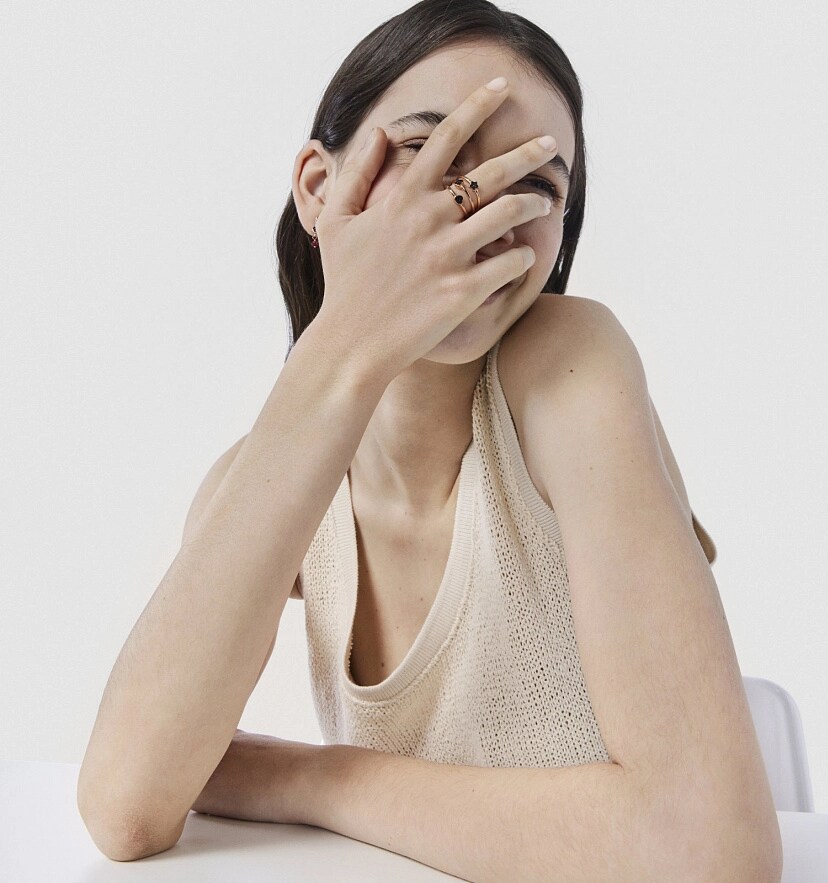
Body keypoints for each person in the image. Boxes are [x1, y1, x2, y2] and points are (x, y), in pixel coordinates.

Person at [80, 3, 783, 879]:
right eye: (427, 149)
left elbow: (708, 849)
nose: (481, 207)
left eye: (535, 185)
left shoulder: (569, 365)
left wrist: (308, 776)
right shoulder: (261, 476)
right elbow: (125, 807)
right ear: (318, 189)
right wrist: (347, 338)